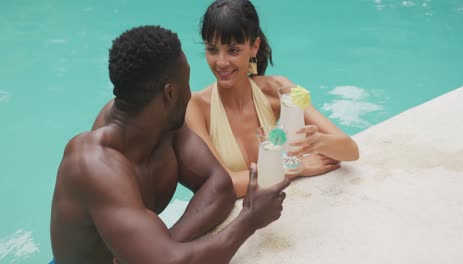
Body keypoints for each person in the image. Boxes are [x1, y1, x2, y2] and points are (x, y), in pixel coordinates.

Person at [50, 25, 289, 264]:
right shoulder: (93, 165)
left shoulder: (161, 122)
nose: (190, 92)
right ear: (170, 93)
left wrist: (164, 245)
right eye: (187, 80)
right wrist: (249, 220)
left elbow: (219, 185)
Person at [186, 0, 359, 198]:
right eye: (212, 49)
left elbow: (350, 150)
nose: (221, 62)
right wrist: (294, 168)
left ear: (254, 46)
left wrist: (316, 141)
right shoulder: (196, 106)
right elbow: (224, 185)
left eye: (233, 50)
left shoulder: (277, 90)